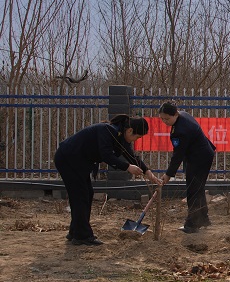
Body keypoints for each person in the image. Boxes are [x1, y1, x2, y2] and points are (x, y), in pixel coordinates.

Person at [54, 115, 160, 246]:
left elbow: (131, 156)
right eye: (137, 137)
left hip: (78, 162)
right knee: (81, 195)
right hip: (68, 159)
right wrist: (127, 167)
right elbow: (107, 155)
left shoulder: (119, 136)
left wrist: (147, 172)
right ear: (130, 130)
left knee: (86, 194)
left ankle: (76, 231)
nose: (135, 140)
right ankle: (82, 236)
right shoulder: (107, 131)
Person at [158, 102, 216, 233]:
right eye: (162, 119)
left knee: (193, 190)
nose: (165, 122)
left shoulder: (181, 130)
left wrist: (168, 174)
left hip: (199, 158)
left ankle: (192, 224)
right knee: (198, 188)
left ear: (175, 114)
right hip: (201, 154)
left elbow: (177, 155)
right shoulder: (183, 116)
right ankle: (203, 218)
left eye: (167, 118)